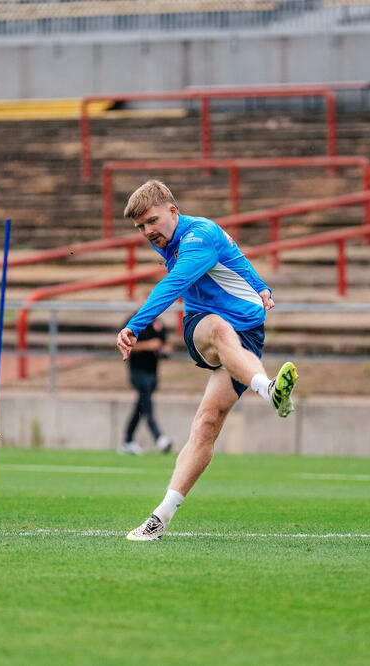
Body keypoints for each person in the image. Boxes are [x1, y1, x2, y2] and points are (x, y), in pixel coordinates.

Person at [116, 180, 298, 541]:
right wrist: (262, 285)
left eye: (152, 221)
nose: (147, 231)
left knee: (206, 425)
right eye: (140, 227)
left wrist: (261, 286)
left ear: (173, 211)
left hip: (246, 338)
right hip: (204, 327)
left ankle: (159, 519)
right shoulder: (189, 238)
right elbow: (202, 271)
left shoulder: (200, 236)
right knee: (217, 329)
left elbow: (200, 271)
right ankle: (270, 390)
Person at [119, 315, 172, 455]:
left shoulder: (159, 323)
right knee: (147, 406)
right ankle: (159, 438)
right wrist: (149, 345)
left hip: (152, 373)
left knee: (140, 406)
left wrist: (165, 349)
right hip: (137, 372)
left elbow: (166, 343)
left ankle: (127, 440)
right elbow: (125, 344)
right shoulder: (133, 321)